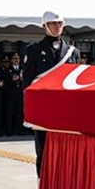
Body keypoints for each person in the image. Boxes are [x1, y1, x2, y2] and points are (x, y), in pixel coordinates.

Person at [22, 11, 80, 176]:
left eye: (60, 23)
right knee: (44, 150)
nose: (57, 27)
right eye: (53, 23)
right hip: (43, 109)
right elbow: (27, 83)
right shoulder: (33, 50)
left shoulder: (72, 52)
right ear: (44, 26)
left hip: (65, 109)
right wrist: (29, 111)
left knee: (66, 150)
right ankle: (43, 183)